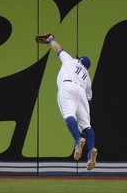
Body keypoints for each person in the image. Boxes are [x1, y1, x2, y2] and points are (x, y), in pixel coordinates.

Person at [38, 33, 97, 170]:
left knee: (68, 115)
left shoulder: (71, 61)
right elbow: (89, 100)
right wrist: (85, 113)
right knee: (86, 125)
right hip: (81, 91)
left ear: (80, 60)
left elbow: (58, 49)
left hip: (67, 86)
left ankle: (77, 141)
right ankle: (91, 151)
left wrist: (50, 40)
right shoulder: (87, 77)